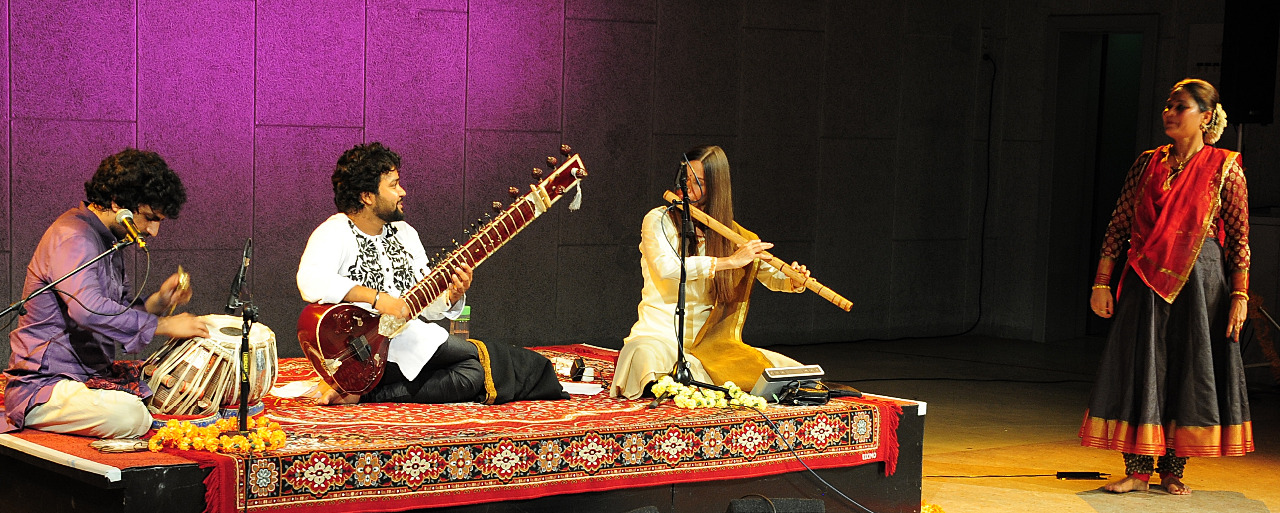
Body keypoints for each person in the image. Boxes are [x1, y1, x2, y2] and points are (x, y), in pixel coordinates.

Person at [1081, 78, 1253, 495]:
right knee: (1142, 366)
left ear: (1205, 117)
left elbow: (1240, 239)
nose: (1169, 113)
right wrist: (1101, 282)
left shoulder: (1224, 167)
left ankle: (1173, 470)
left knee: (1187, 369)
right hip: (1145, 279)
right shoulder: (1147, 163)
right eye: (1168, 106)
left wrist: (1239, 295)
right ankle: (1138, 471)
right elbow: (1118, 224)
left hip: (1201, 284)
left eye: (1180, 107)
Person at [297, 142, 566, 406]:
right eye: (393, 185)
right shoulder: (335, 232)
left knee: (472, 374)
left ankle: (363, 393)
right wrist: (378, 299)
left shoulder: (405, 234)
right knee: (488, 359)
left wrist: (451, 295)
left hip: (405, 339)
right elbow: (311, 281)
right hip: (359, 350)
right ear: (367, 196)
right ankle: (536, 371)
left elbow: (424, 303)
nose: (402, 192)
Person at [2, 148, 209, 438]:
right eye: (150, 217)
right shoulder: (73, 236)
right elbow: (88, 310)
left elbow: (115, 309)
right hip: (46, 384)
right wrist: (162, 325)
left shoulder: (107, 240)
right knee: (130, 415)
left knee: (174, 392)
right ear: (117, 204)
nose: (153, 231)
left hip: (89, 377)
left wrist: (159, 302)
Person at [611, 145, 812, 399]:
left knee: (790, 372)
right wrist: (728, 262)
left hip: (710, 345)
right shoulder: (658, 220)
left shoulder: (733, 234)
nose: (687, 187)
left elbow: (767, 275)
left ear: (716, 188)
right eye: (685, 177)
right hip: (660, 337)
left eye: (698, 182)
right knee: (641, 354)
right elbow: (667, 269)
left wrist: (794, 280)